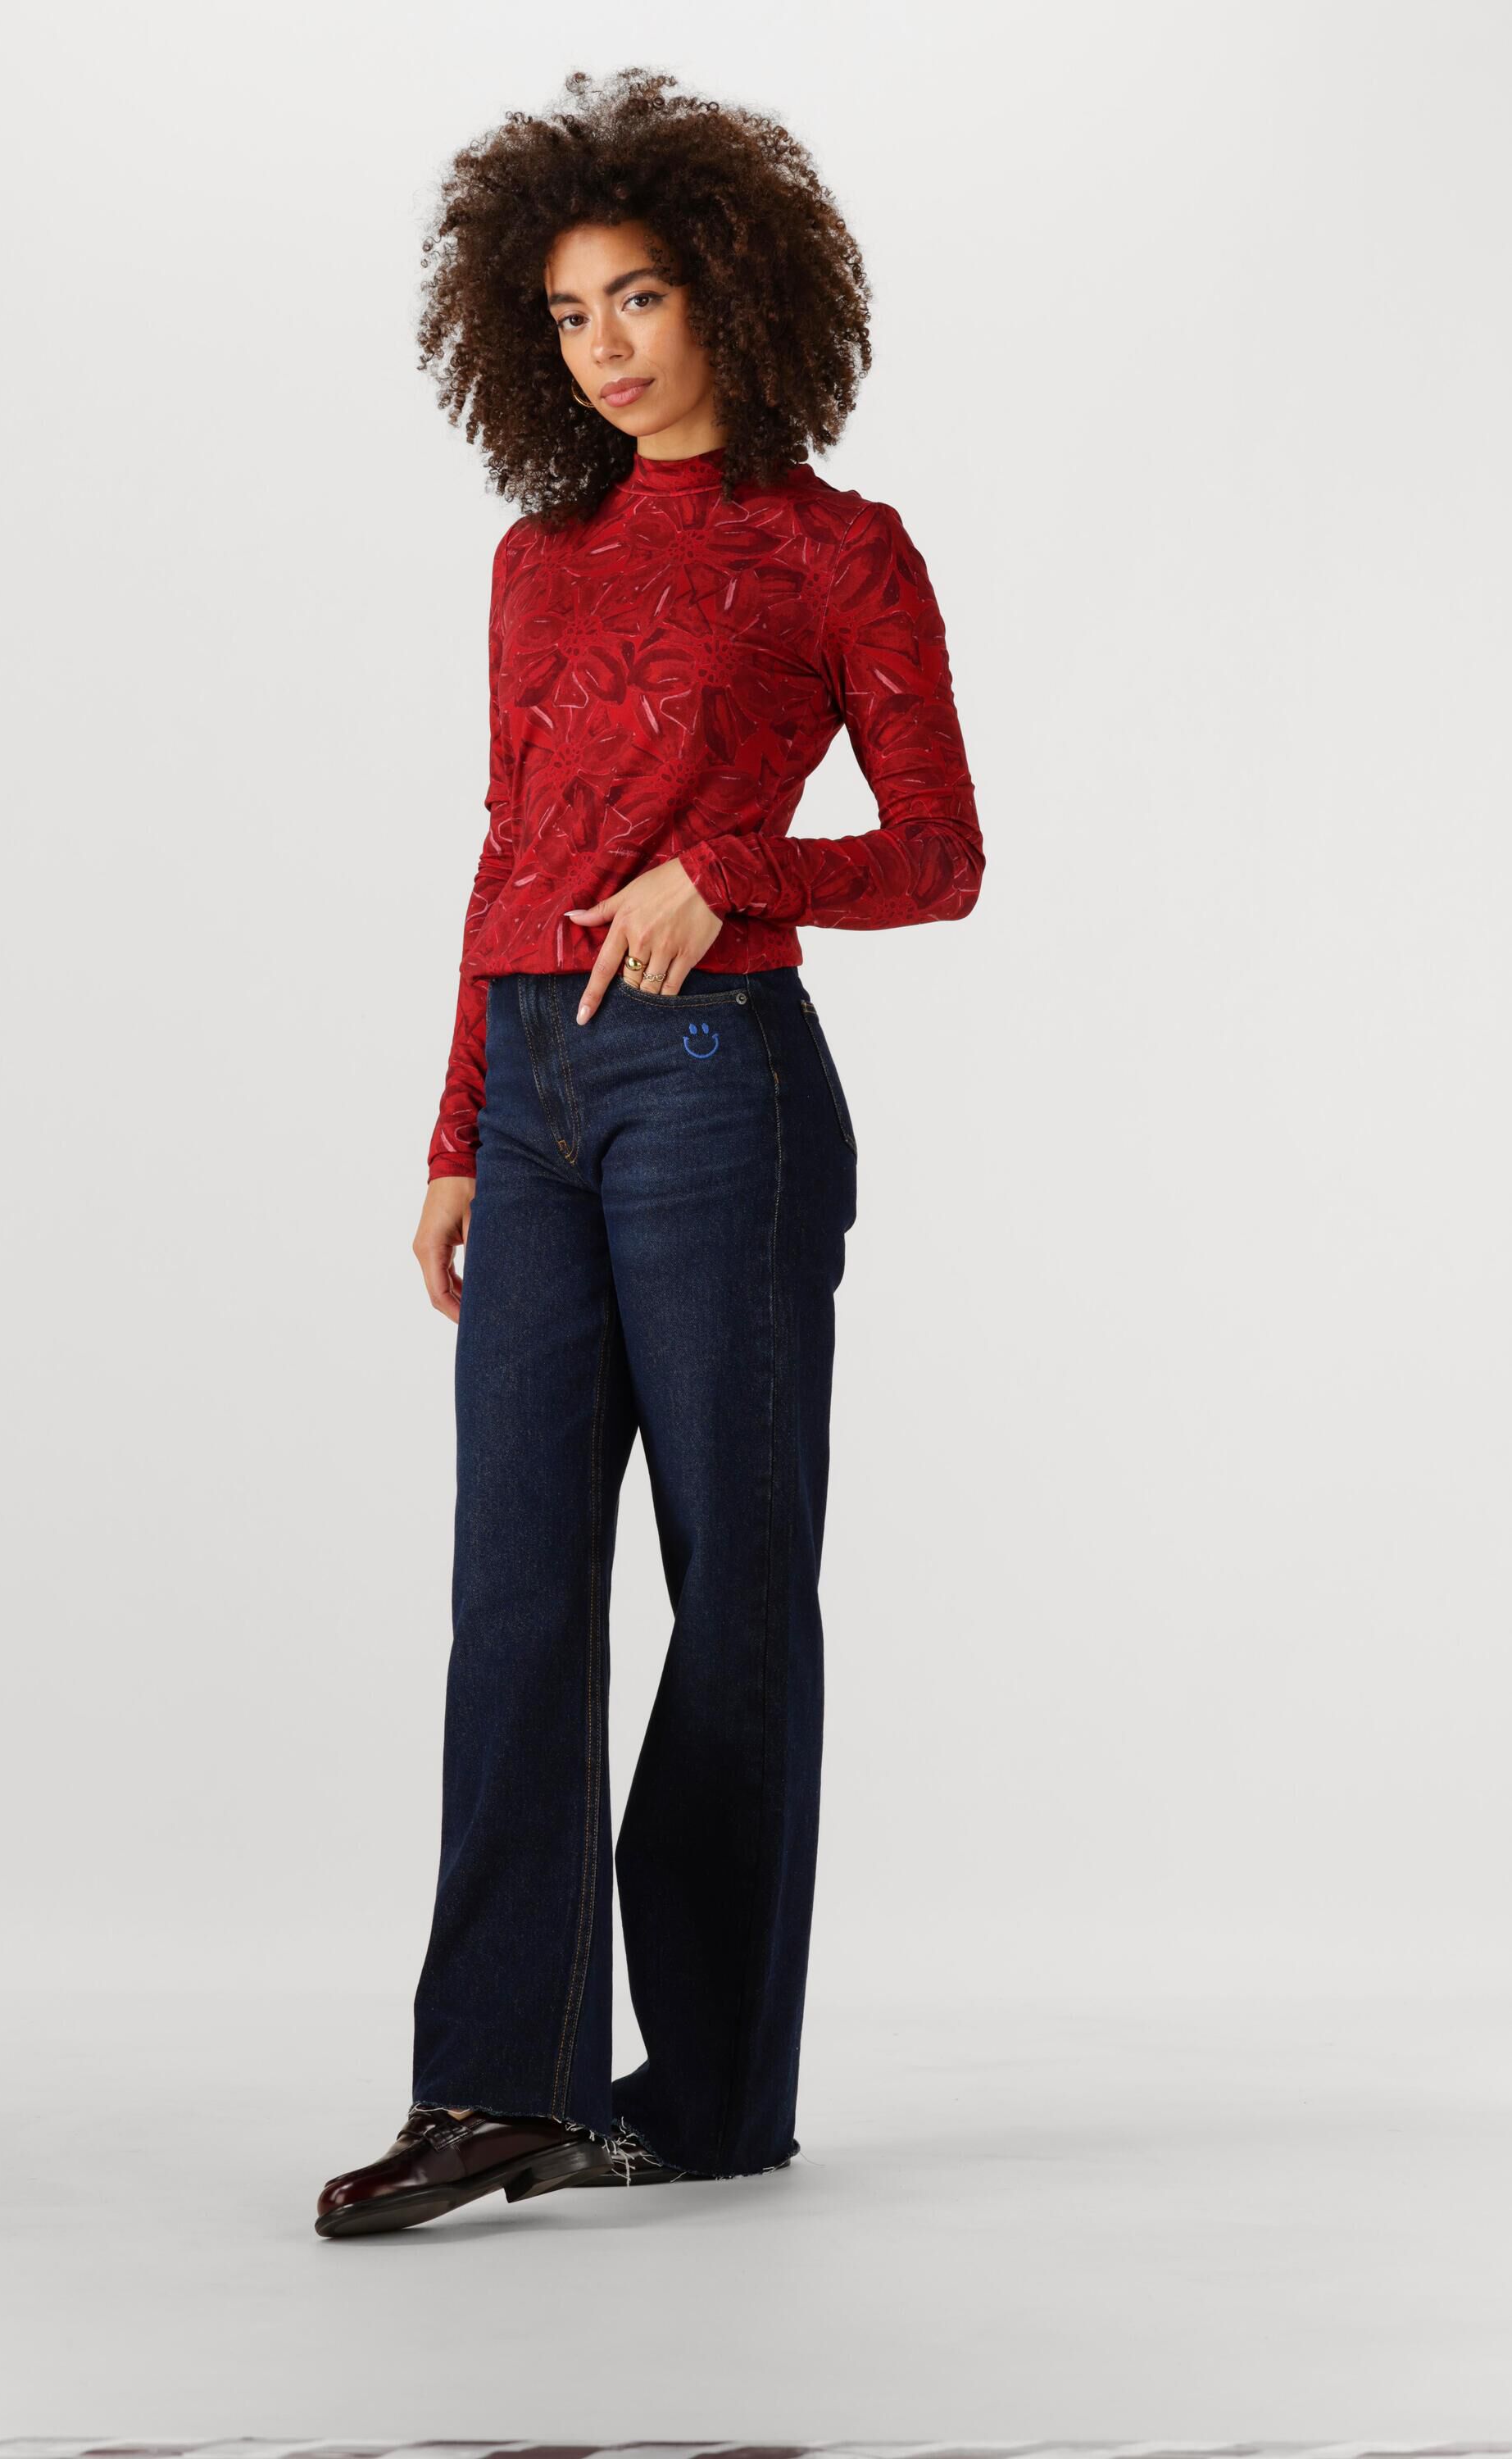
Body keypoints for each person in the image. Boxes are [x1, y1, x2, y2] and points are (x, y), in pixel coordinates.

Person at [316, 66, 984, 2239]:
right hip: (534, 1095)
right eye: (569, 312)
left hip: (717, 1090)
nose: (606, 344)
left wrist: (733, 873)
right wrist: (455, 1129)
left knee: (732, 1589)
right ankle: (492, 2087)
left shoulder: (838, 551)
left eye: (641, 296)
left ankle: (702, 2094)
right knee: (512, 1585)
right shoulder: (538, 561)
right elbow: (508, 848)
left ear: (731, 295)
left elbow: (941, 854)